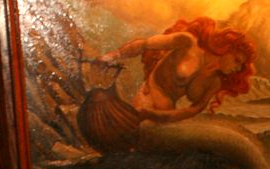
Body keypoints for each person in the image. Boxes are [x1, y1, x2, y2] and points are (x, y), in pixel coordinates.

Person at [97, 16, 255, 124]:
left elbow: (193, 110)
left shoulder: (214, 81)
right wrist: (114, 55)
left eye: (241, 66)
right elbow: (145, 44)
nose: (237, 68)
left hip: (166, 112)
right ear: (226, 49)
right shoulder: (188, 43)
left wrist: (156, 115)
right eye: (237, 60)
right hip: (148, 95)